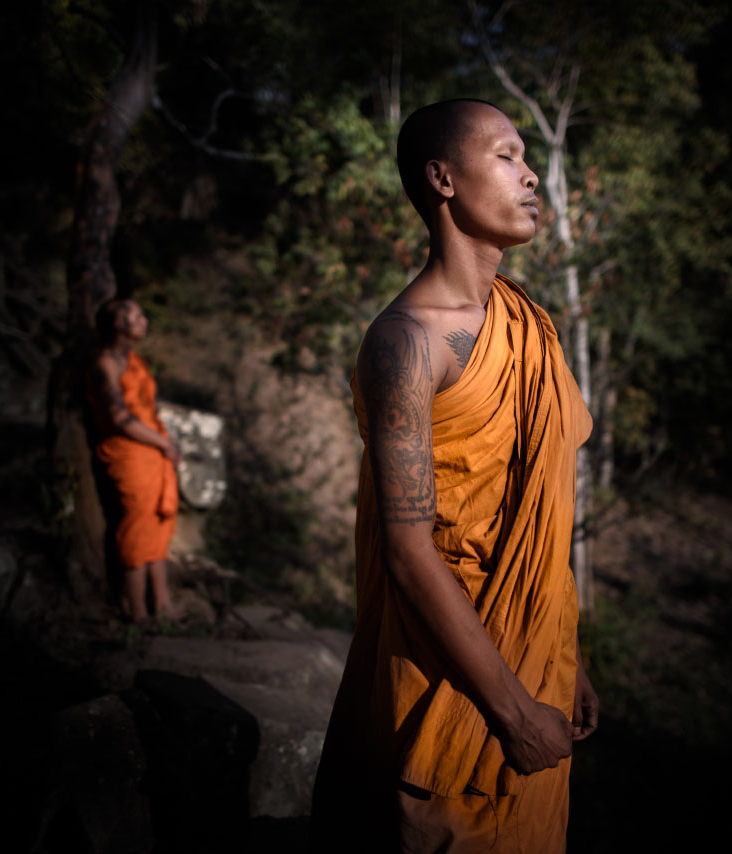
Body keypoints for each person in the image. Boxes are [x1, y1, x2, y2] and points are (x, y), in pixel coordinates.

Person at [309, 99, 599, 853]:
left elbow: (536, 515)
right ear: (442, 178)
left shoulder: (527, 323)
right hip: (448, 682)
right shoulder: (406, 343)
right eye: (507, 155)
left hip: (534, 662)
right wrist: (513, 713)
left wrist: (563, 654)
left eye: (526, 157)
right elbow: (408, 552)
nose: (531, 175)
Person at [85, 298, 182, 624]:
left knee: (158, 525)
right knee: (138, 526)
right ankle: (138, 612)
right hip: (129, 452)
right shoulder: (105, 363)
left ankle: (164, 606)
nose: (143, 320)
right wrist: (163, 443)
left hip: (153, 449)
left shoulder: (134, 360)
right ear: (117, 324)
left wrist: (164, 444)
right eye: (136, 316)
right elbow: (119, 418)